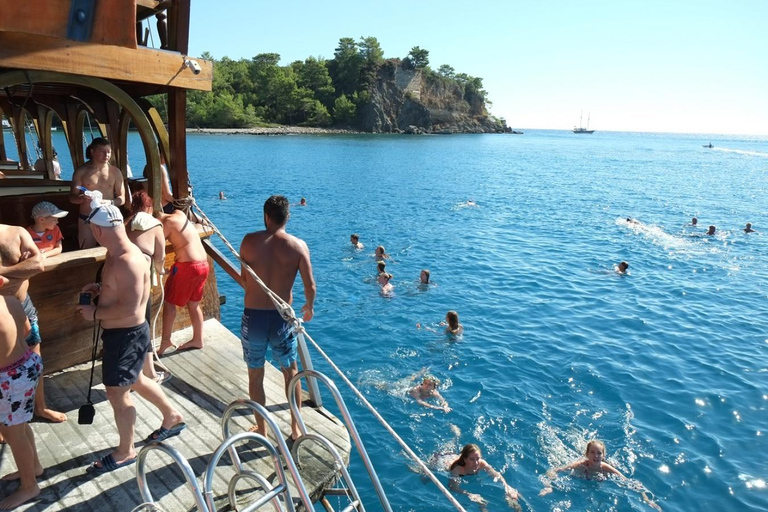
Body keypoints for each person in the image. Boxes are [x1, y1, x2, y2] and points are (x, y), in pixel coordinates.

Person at [76, 203, 184, 473]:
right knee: (135, 379)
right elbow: (125, 291)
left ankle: (126, 451)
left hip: (125, 336)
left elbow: (132, 308)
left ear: (98, 230)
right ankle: (173, 416)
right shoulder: (118, 252)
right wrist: (103, 287)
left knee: (117, 392)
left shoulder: (126, 260)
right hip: (126, 335)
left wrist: (94, 312)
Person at [239, 195, 316, 441]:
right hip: (281, 319)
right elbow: (310, 286)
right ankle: (294, 430)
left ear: (266, 216)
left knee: (255, 374)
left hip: (254, 319)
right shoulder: (298, 246)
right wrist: (309, 307)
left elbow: (246, 279)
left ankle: (261, 430)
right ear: (288, 217)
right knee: (291, 373)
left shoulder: (249, 242)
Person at [0, 224, 66, 427]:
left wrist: (3, 271)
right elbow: (29, 267)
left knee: (34, 359)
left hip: (24, 306)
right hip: (2, 315)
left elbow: (37, 264)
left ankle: (40, 407)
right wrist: (21, 268)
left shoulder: (16, 232)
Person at [0, 295, 44, 509]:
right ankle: (33, 467)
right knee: (20, 426)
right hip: (27, 365)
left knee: (12, 433)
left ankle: (29, 486)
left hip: (10, 379)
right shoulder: (12, 301)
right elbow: (28, 333)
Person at [539, 440, 661, 510]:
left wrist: (646, 499)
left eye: (599, 453)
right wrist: (549, 486)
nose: (596, 456)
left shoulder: (606, 468)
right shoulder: (580, 465)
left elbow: (631, 483)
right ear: (587, 454)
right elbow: (553, 470)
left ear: (603, 455)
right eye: (592, 452)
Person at [124, 191, 167, 383]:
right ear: (149, 207)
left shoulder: (126, 223)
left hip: (121, 272)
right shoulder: (156, 224)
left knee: (127, 322)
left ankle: (131, 367)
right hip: (141, 274)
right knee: (144, 321)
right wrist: (160, 270)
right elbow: (160, 256)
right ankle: (148, 372)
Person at [157, 202, 209, 355]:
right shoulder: (180, 214)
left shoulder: (166, 223)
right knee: (193, 304)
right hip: (203, 265)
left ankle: (166, 341)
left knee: (169, 303)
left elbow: (156, 246)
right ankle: (198, 339)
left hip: (188, 266)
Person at [69, 138, 126, 249]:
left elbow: (122, 198)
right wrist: (82, 198)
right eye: (102, 152)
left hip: (109, 219)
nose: (106, 155)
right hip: (87, 219)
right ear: (92, 151)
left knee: (113, 252)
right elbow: (72, 197)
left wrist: (109, 202)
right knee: (85, 252)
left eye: (109, 152)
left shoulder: (115, 172)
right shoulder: (81, 171)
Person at [449, 444, 520, 507]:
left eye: (478, 458)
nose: (476, 463)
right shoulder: (457, 470)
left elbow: (496, 475)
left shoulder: (481, 463)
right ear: (465, 460)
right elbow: (453, 488)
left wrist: (507, 488)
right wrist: (469, 495)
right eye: (472, 459)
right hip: (447, 460)